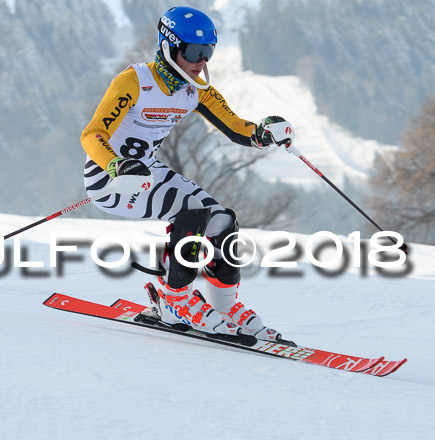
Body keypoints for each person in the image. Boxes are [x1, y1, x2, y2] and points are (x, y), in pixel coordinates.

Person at [80, 6, 295, 343]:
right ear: (169, 46)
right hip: (111, 179)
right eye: (194, 52)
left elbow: (236, 127)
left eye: (208, 53)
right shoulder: (134, 81)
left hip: (148, 173)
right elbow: (92, 134)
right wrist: (114, 164)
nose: (201, 62)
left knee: (222, 220)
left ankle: (224, 306)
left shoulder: (196, 90)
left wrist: (263, 134)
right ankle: (175, 300)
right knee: (191, 212)